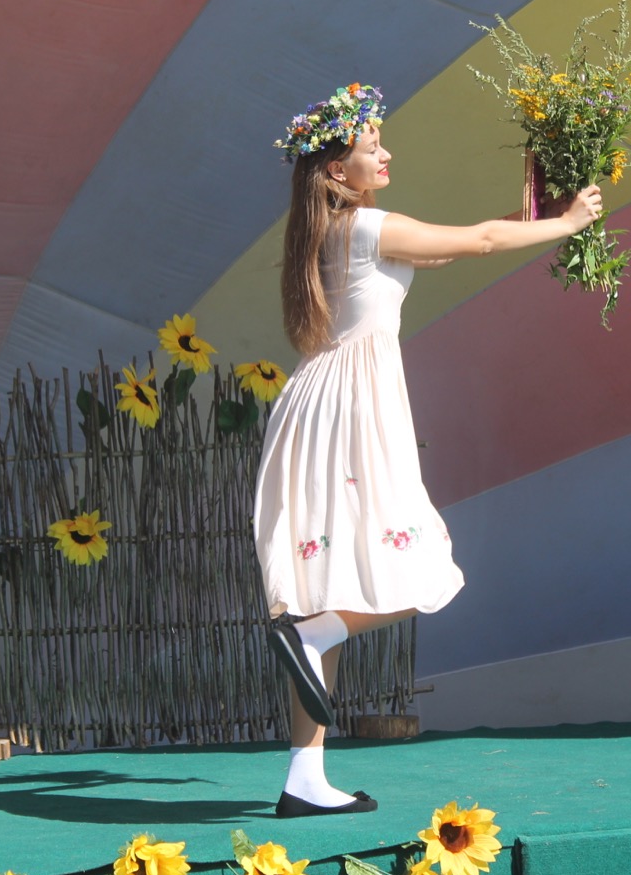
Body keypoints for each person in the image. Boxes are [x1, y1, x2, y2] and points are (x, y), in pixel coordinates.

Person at [253, 83, 602, 818]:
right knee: (413, 564)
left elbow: (454, 248)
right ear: (334, 171)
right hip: (353, 405)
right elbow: (474, 242)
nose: (386, 153)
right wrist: (568, 224)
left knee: (336, 581)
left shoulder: (329, 230)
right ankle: (312, 635)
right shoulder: (369, 224)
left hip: (315, 404)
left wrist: (527, 217)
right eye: (371, 145)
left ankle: (303, 776)